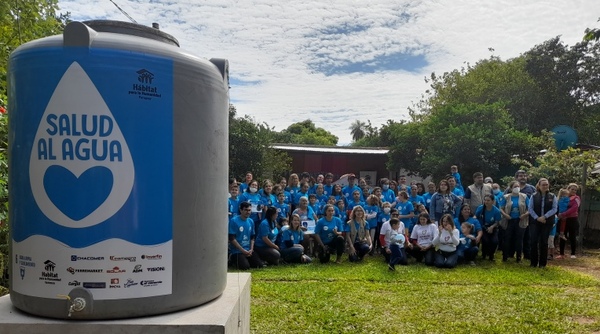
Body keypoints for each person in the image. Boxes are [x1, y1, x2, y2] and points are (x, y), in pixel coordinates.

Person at [527, 178, 557, 268]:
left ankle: (542, 264)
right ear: (539, 186)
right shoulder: (534, 196)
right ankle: (533, 263)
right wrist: (537, 218)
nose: (545, 186)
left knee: (544, 242)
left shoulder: (552, 196)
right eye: (543, 185)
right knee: (533, 241)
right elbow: (530, 208)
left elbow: (554, 209)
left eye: (546, 184)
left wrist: (545, 217)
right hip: (535, 222)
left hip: (547, 222)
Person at [499, 181, 530, 263]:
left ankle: (519, 258)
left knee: (519, 239)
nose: (517, 188)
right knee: (507, 239)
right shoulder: (506, 197)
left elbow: (529, 208)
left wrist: (525, 215)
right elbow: (501, 208)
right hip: (509, 220)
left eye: (518, 186)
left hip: (520, 220)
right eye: (515, 186)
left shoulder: (524, 196)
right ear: (511, 188)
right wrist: (505, 215)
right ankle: (505, 257)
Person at [228, 202, 265, 270]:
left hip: (248, 250)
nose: (248, 212)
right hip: (237, 251)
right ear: (241, 210)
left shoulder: (251, 221)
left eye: (249, 210)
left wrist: (251, 249)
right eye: (245, 210)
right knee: (245, 267)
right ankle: (232, 259)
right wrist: (242, 250)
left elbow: (252, 237)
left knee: (259, 265)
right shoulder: (234, 221)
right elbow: (231, 238)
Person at [557, 183, 581, 259]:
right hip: (563, 219)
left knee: (572, 236)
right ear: (568, 189)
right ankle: (561, 254)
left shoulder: (577, 198)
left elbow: (574, 208)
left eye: (575, 190)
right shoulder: (564, 197)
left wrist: (564, 214)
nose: (574, 191)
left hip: (572, 219)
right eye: (572, 189)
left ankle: (573, 253)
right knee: (562, 235)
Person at [475, 195, 502, 261]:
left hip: (493, 227)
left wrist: (492, 227)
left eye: (488, 200)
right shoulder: (481, 208)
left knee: (494, 241)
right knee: (485, 240)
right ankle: (484, 254)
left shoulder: (496, 211)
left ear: (492, 201)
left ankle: (491, 254)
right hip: (482, 227)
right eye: (485, 200)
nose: (486, 202)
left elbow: (497, 222)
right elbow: (476, 216)